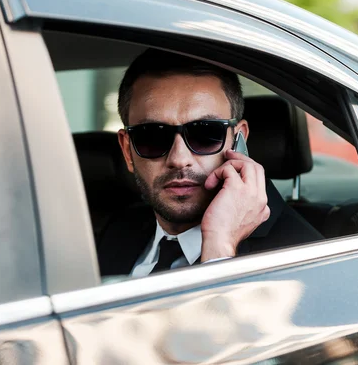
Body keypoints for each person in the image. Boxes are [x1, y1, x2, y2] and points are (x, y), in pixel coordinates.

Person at [97, 49, 323, 277]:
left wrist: (220, 249)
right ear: (127, 151)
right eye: (152, 137)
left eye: (205, 134)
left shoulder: (307, 259)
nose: (179, 159)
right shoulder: (117, 230)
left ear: (238, 140)